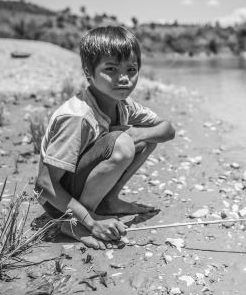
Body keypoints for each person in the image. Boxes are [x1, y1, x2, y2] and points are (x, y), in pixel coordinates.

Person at [35, 26, 175, 250]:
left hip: (75, 191)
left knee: (144, 138)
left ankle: (108, 201)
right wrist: (90, 221)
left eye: (131, 69)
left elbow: (167, 129)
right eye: (111, 69)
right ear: (88, 72)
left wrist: (138, 133)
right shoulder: (78, 117)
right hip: (58, 202)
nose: (123, 79)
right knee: (122, 144)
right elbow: (44, 185)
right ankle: (74, 224)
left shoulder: (123, 104)